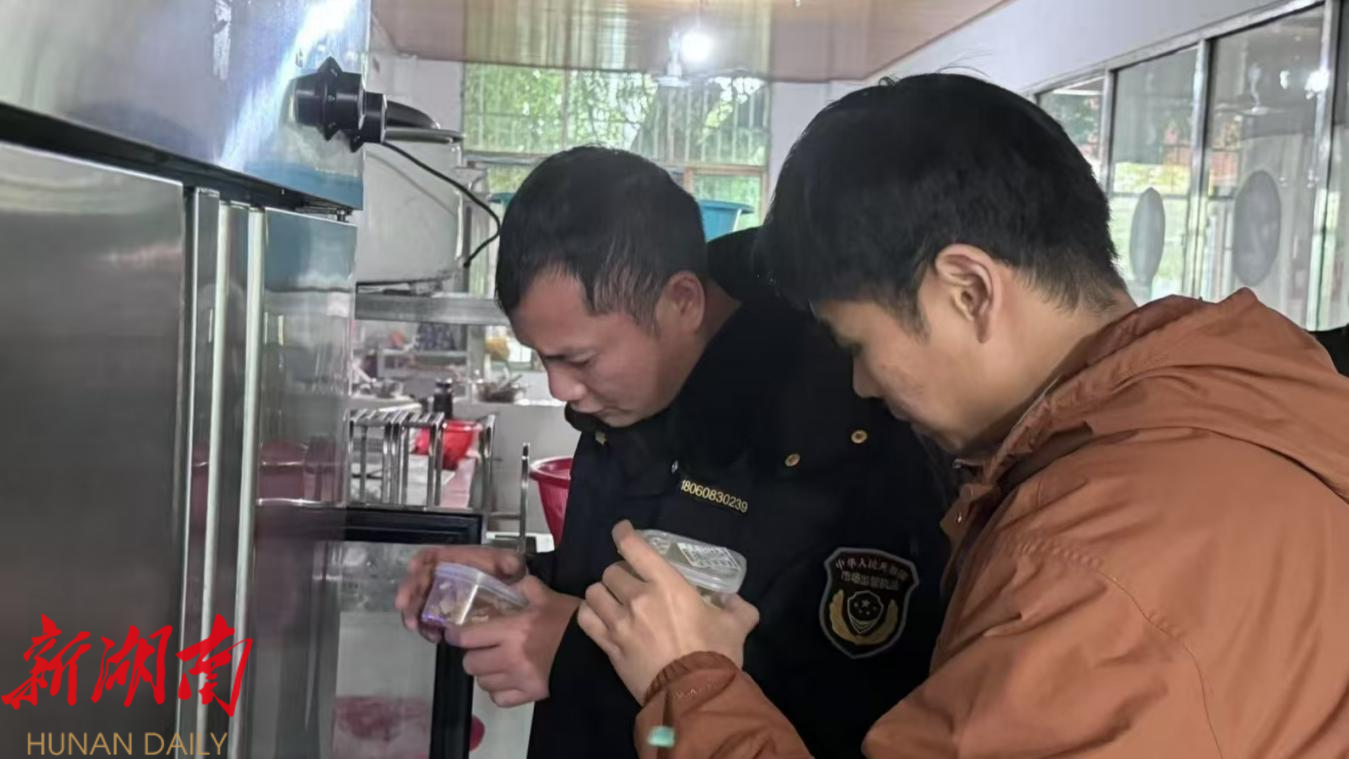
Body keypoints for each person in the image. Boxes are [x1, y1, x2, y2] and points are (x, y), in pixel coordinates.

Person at [577, 74, 1349, 758]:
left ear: (968, 290)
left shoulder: (1094, 562)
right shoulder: (1242, 413)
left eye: (858, 343)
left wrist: (689, 679)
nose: (862, 383)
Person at [394, 146, 953, 758]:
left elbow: (839, 702)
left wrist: (573, 655)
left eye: (578, 359)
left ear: (683, 301)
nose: (560, 389)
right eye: (541, 356)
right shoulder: (623, 404)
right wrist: (521, 584)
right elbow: (638, 573)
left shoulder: (830, 437)